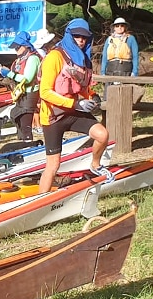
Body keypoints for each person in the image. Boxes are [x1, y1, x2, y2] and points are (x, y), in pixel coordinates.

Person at [37, 18, 114, 194]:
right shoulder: (54, 57)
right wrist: (76, 103)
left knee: (103, 135)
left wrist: (92, 96)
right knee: (53, 164)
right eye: (77, 36)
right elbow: (45, 93)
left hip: (74, 111)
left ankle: (95, 164)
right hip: (52, 116)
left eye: (84, 37)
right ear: (68, 36)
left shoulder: (84, 59)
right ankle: (39, 202)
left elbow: (83, 87)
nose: (81, 40)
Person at [0, 31, 42, 141]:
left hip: (30, 94)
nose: (15, 49)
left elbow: (27, 79)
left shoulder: (32, 59)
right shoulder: (19, 60)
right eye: (15, 47)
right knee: (16, 117)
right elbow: (16, 76)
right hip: (20, 94)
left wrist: (9, 74)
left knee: (25, 122)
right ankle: (23, 142)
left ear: (25, 46)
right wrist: (6, 73)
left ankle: (28, 144)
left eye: (17, 47)